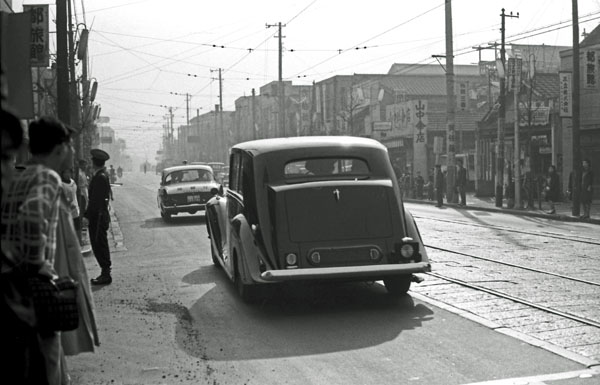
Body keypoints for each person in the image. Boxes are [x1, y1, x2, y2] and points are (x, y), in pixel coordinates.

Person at [2, 116, 75, 385]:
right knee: (48, 365)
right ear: (61, 149)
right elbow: (32, 215)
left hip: (11, 284)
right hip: (35, 288)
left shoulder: (17, 176)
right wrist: (37, 263)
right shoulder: (48, 177)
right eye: (70, 145)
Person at [86, 149, 113, 285]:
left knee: (99, 244)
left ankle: (105, 273)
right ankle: (105, 272)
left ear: (94, 162)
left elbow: (95, 201)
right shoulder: (100, 175)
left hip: (98, 216)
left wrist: (87, 216)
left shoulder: (100, 177)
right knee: (99, 243)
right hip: (99, 215)